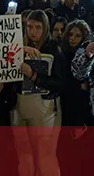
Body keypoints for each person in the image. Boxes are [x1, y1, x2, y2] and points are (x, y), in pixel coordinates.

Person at [12, 10, 65, 176]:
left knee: (45, 155)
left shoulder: (53, 49)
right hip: (19, 105)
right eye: (29, 27)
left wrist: (34, 76)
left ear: (45, 28)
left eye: (37, 27)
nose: (32, 31)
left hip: (45, 107)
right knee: (24, 154)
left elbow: (61, 82)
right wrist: (19, 52)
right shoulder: (17, 46)